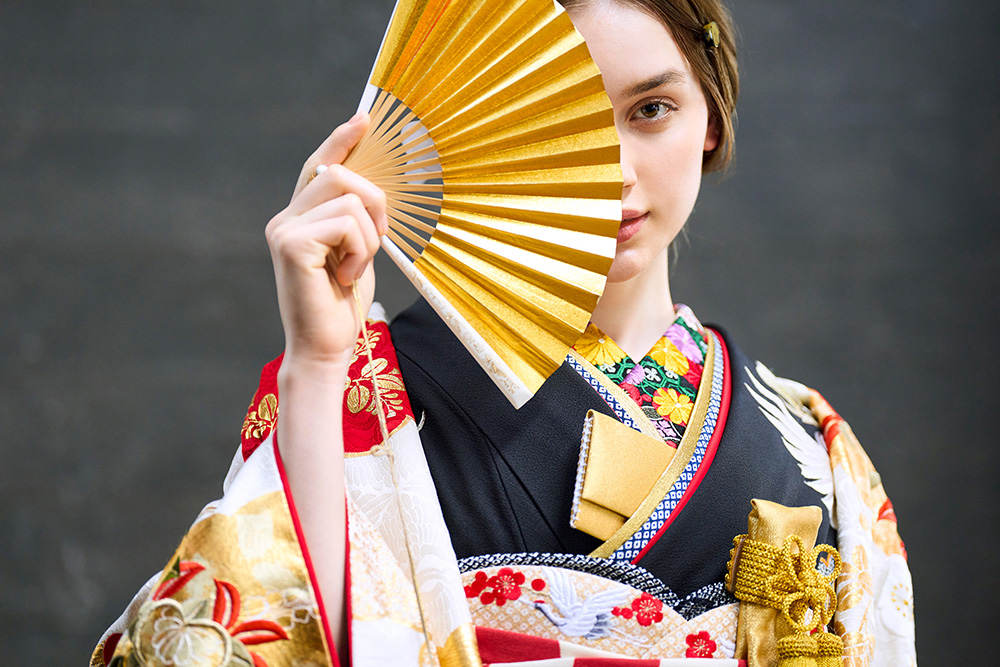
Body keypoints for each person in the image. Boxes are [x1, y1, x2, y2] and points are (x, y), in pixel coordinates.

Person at [92, 1, 916, 666]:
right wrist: (315, 365)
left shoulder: (807, 434)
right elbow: (277, 632)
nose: (615, 172)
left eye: (651, 110)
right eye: (568, 126)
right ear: (501, 136)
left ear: (710, 115)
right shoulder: (371, 383)